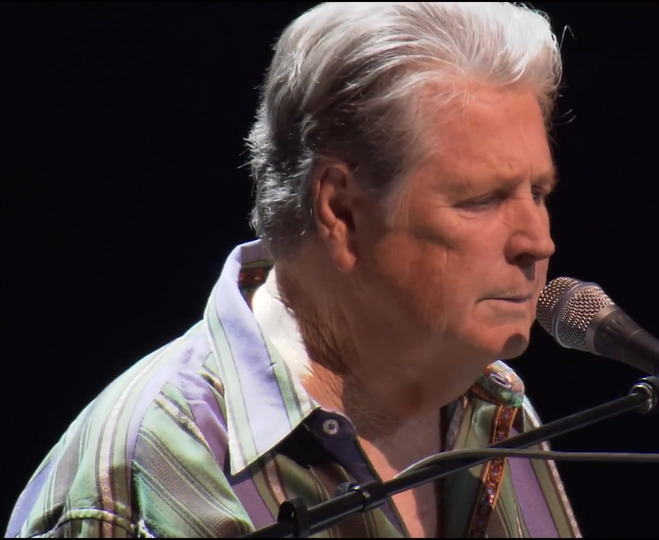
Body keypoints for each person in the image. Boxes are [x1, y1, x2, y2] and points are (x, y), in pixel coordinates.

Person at [6, 2, 580, 538]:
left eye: (538, 193)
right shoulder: (144, 471)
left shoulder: (496, 411)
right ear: (341, 210)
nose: (538, 241)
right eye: (482, 199)